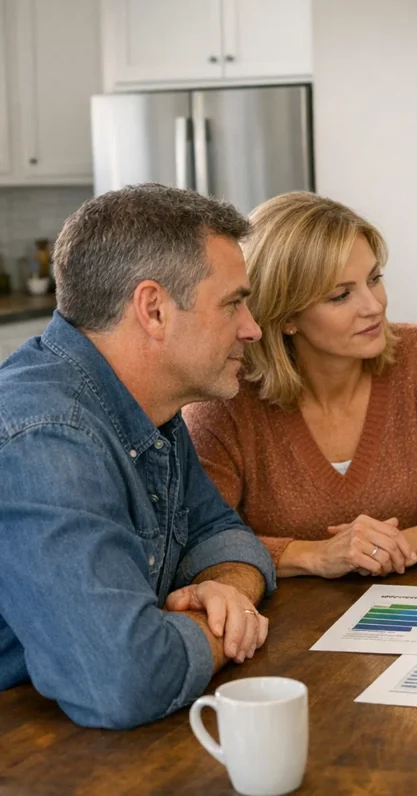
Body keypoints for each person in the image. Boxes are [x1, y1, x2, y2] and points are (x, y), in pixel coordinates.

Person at [0, 184, 276, 730]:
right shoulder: (48, 438)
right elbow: (123, 678)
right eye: (232, 303)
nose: (252, 328)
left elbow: (222, 531)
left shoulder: (147, 408)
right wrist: (219, 627)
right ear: (153, 309)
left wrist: (229, 593)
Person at [183, 192, 417, 579]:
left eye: (374, 279)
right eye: (341, 295)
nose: (374, 305)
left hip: (406, 611)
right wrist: (316, 556)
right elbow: (197, 543)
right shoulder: (226, 394)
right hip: (282, 627)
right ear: (287, 315)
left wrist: (408, 543)